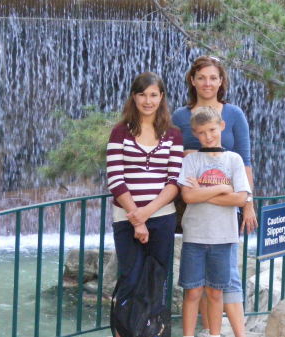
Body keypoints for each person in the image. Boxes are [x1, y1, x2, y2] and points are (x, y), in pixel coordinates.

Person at [172, 56, 258, 337]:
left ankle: (220, 332)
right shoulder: (180, 117)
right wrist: (221, 189)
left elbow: (245, 160)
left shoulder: (233, 115)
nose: (207, 83)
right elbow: (175, 159)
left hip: (223, 209)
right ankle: (206, 330)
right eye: (202, 77)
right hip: (194, 205)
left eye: (213, 77)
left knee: (222, 280)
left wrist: (247, 203)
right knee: (195, 286)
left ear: (221, 81)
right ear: (192, 80)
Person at [106, 71, 183, 336]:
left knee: (156, 282)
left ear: (161, 97)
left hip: (162, 219)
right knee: (130, 278)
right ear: (134, 97)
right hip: (125, 219)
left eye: (153, 95)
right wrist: (135, 217)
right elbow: (115, 179)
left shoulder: (173, 134)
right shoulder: (119, 132)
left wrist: (145, 215)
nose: (147, 101)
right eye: (142, 95)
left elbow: (174, 181)